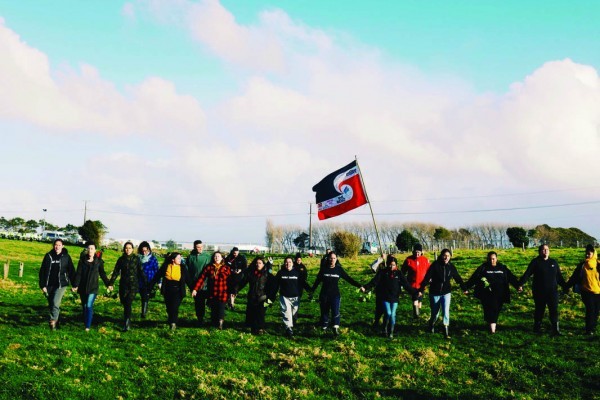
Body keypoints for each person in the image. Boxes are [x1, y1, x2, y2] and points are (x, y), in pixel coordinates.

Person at [463, 251, 521, 334]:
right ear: (487, 259)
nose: (491, 261)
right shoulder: (483, 268)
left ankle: (490, 323)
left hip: (500, 294)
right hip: (487, 294)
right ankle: (492, 330)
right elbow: (474, 278)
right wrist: (466, 288)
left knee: (496, 310)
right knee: (490, 310)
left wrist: (518, 286)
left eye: (493, 259)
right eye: (490, 259)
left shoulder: (502, 268)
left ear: (496, 259)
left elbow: (511, 277)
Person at [362, 256, 416, 338]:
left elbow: (406, 285)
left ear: (396, 265)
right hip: (385, 296)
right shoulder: (383, 272)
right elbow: (374, 281)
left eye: (393, 265)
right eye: (390, 265)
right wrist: (366, 287)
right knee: (388, 313)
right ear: (387, 264)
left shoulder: (399, 273)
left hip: (394, 297)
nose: (391, 267)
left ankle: (391, 331)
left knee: (393, 314)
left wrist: (415, 292)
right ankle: (384, 329)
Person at [311, 251, 363, 336]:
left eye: (334, 258)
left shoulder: (339, 270)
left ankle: (335, 328)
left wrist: (359, 286)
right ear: (328, 259)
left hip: (335, 295)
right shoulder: (323, 269)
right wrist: (312, 290)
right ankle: (324, 327)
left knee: (335, 311)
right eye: (331, 258)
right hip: (324, 295)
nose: (332, 260)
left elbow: (349, 279)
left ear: (336, 259)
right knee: (324, 312)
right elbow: (317, 281)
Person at [519, 244, 566, 336]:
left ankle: (555, 330)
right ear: (540, 251)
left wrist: (565, 286)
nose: (545, 251)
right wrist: (520, 284)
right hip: (539, 291)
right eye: (543, 250)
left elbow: (559, 277)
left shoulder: (553, 262)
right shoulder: (535, 262)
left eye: (547, 249)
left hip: (552, 292)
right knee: (539, 310)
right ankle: (537, 328)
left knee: (554, 310)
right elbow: (527, 274)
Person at [419, 248, 465, 339]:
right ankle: (431, 324)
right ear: (441, 256)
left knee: (445, 312)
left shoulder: (451, 267)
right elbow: (427, 278)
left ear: (450, 257)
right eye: (444, 255)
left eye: (448, 256)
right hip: (434, 293)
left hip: (446, 293)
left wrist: (464, 288)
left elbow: (458, 278)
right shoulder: (435, 265)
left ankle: (446, 330)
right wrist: (421, 289)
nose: (446, 257)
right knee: (435, 313)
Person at [108, 241, 147, 332]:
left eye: (129, 248)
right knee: (125, 303)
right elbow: (116, 272)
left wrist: (146, 283)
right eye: (126, 248)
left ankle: (127, 324)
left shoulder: (136, 259)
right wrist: (111, 283)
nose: (127, 250)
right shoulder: (121, 259)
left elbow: (141, 271)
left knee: (128, 302)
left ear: (133, 249)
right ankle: (127, 320)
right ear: (124, 249)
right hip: (123, 284)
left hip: (133, 285)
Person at [72, 241, 110, 331]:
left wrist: (108, 284)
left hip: (93, 288)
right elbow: (79, 274)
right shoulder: (82, 261)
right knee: (84, 306)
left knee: (89, 305)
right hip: (82, 288)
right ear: (86, 250)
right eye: (88, 248)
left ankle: (87, 327)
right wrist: (75, 285)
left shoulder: (99, 262)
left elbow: (103, 274)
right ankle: (86, 321)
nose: (90, 250)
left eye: (92, 248)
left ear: (95, 250)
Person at [38, 239, 75, 330]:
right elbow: (42, 271)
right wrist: (42, 285)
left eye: (59, 245)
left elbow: (71, 271)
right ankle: (57, 321)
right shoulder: (48, 256)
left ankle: (52, 322)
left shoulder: (66, 257)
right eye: (55, 245)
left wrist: (74, 284)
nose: (57, 247)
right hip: (49, 285)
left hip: (61, 284)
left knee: (55, 302)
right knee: (52, 304)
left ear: (62, 246)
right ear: (53, 246)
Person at [272, 256, 312, 337]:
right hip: (284, 296)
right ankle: (288, 328)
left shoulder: (297, 272)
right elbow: (275, 285)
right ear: (284, 263)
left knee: (294, 314)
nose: (288, 264)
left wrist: (310, 290)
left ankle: (292, 323)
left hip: (295, 297)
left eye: (289, 262)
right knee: (286, 312)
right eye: (286, 262)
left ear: (293, 263)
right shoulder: (280, 273)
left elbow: (303, 283)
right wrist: (272, 294)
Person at [565, 244, 600, 335]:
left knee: (596, 310)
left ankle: (593, 327)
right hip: (586, 291)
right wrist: (566, 286)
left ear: (593, 254)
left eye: (589, 253)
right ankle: (589, 330)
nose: (587, 255)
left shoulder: (598, 264)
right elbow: (574, 277)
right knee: (590, 309)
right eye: (586, 253)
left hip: (598, 292)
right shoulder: (582, 265)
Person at [150, 252, 190, 330]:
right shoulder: (166, 266)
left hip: (178, 290)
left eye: (180, 258)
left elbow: (188, 279)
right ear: (173, 259)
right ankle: (170, 319)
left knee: (174, 307)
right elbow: (157, 276)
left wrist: (194, 289)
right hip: (167, 290)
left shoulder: (183, 267)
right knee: (169, 307)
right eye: (178, 258)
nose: (180, 260)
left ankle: (173, 323)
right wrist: (150, 286)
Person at [192, 252, 231, 330]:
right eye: (215, 256)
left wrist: (232, 292)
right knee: (213, 308)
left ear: (222, 258)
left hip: (222, 292)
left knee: (221, 307)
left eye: (218, 256)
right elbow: (202, 278)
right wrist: (195, 289)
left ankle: (220, 323)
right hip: (212, 292)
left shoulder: (226, 267)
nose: (216, 258)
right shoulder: (209, 267)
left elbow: (230, 280)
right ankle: (214, 323)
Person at [237, 256, 274, 335]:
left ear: (264, 264)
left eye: (260, 263)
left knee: (261, 312)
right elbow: (243, 283)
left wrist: (270, 300)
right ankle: (254, 328)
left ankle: (260, 328)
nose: (258, 265)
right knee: (253, 313)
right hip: (252, 297)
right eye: (256, 263)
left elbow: (273, 288)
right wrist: (235, 290)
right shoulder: (251, 273)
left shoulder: (268, 274)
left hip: (264, 298)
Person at [401, 243, 431, 319]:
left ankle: (418, 312)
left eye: (419, 252)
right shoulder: (408, 260)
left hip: (422, 284)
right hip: (412, 284)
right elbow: (403, 271)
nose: (417, 253)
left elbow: (429, 270)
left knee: (420, 300)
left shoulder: (425, 260)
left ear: (421, 252)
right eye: (416, 251)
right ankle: (416, 315)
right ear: (413, 251)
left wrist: (430, 278)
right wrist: (403, 280)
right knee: (415, 298)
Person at [186, 240, 212, 326]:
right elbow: (187, 270)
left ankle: (214, 318)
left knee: (208, 301)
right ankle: (200, 319)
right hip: (194, 284)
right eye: (198, 247)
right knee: (198, 302)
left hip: (206, 283)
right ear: (194, 247)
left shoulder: (208, 257)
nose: (200, 249)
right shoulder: (190, 257)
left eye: (201, 247)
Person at [138, 241, 159, 319]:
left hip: (150, 281)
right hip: (140, 281)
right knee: (143, 295)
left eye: (146, 251)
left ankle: (143, 312)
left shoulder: (153, 259)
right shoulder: (138, 259)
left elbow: (157, 270)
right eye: (142, 251)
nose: (144, 253)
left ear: (149, 250)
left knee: (145, 296)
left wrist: (159, 282)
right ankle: (144, 310)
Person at [293, 252, 310, 325]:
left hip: (300, 287)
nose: (299, 261)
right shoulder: (292, 265)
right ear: (295, 260)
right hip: (292, 286)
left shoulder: (303, 267)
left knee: (297, 302)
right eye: (297, 260)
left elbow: (305, 276)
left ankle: (294, 317)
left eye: (300, 260)